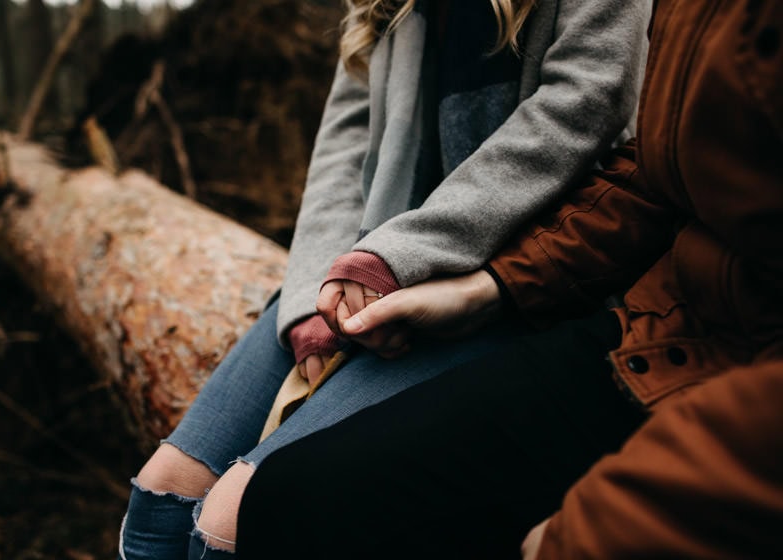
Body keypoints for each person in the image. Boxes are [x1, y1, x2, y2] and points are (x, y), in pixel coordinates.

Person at [230, 0, 783, 557]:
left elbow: (585, 110)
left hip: (524, 282)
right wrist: (480, 288)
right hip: (630, 311)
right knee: (195, 495)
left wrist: (430, 262)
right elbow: (653, 182)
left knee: (256, 507)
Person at [117, 0, 652, 557]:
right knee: (163, 494)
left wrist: (401, 255)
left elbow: (585, 103)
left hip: (512, 280)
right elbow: (343, 145)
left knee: (236, 521)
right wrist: (308, 299)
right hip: (370, 263)